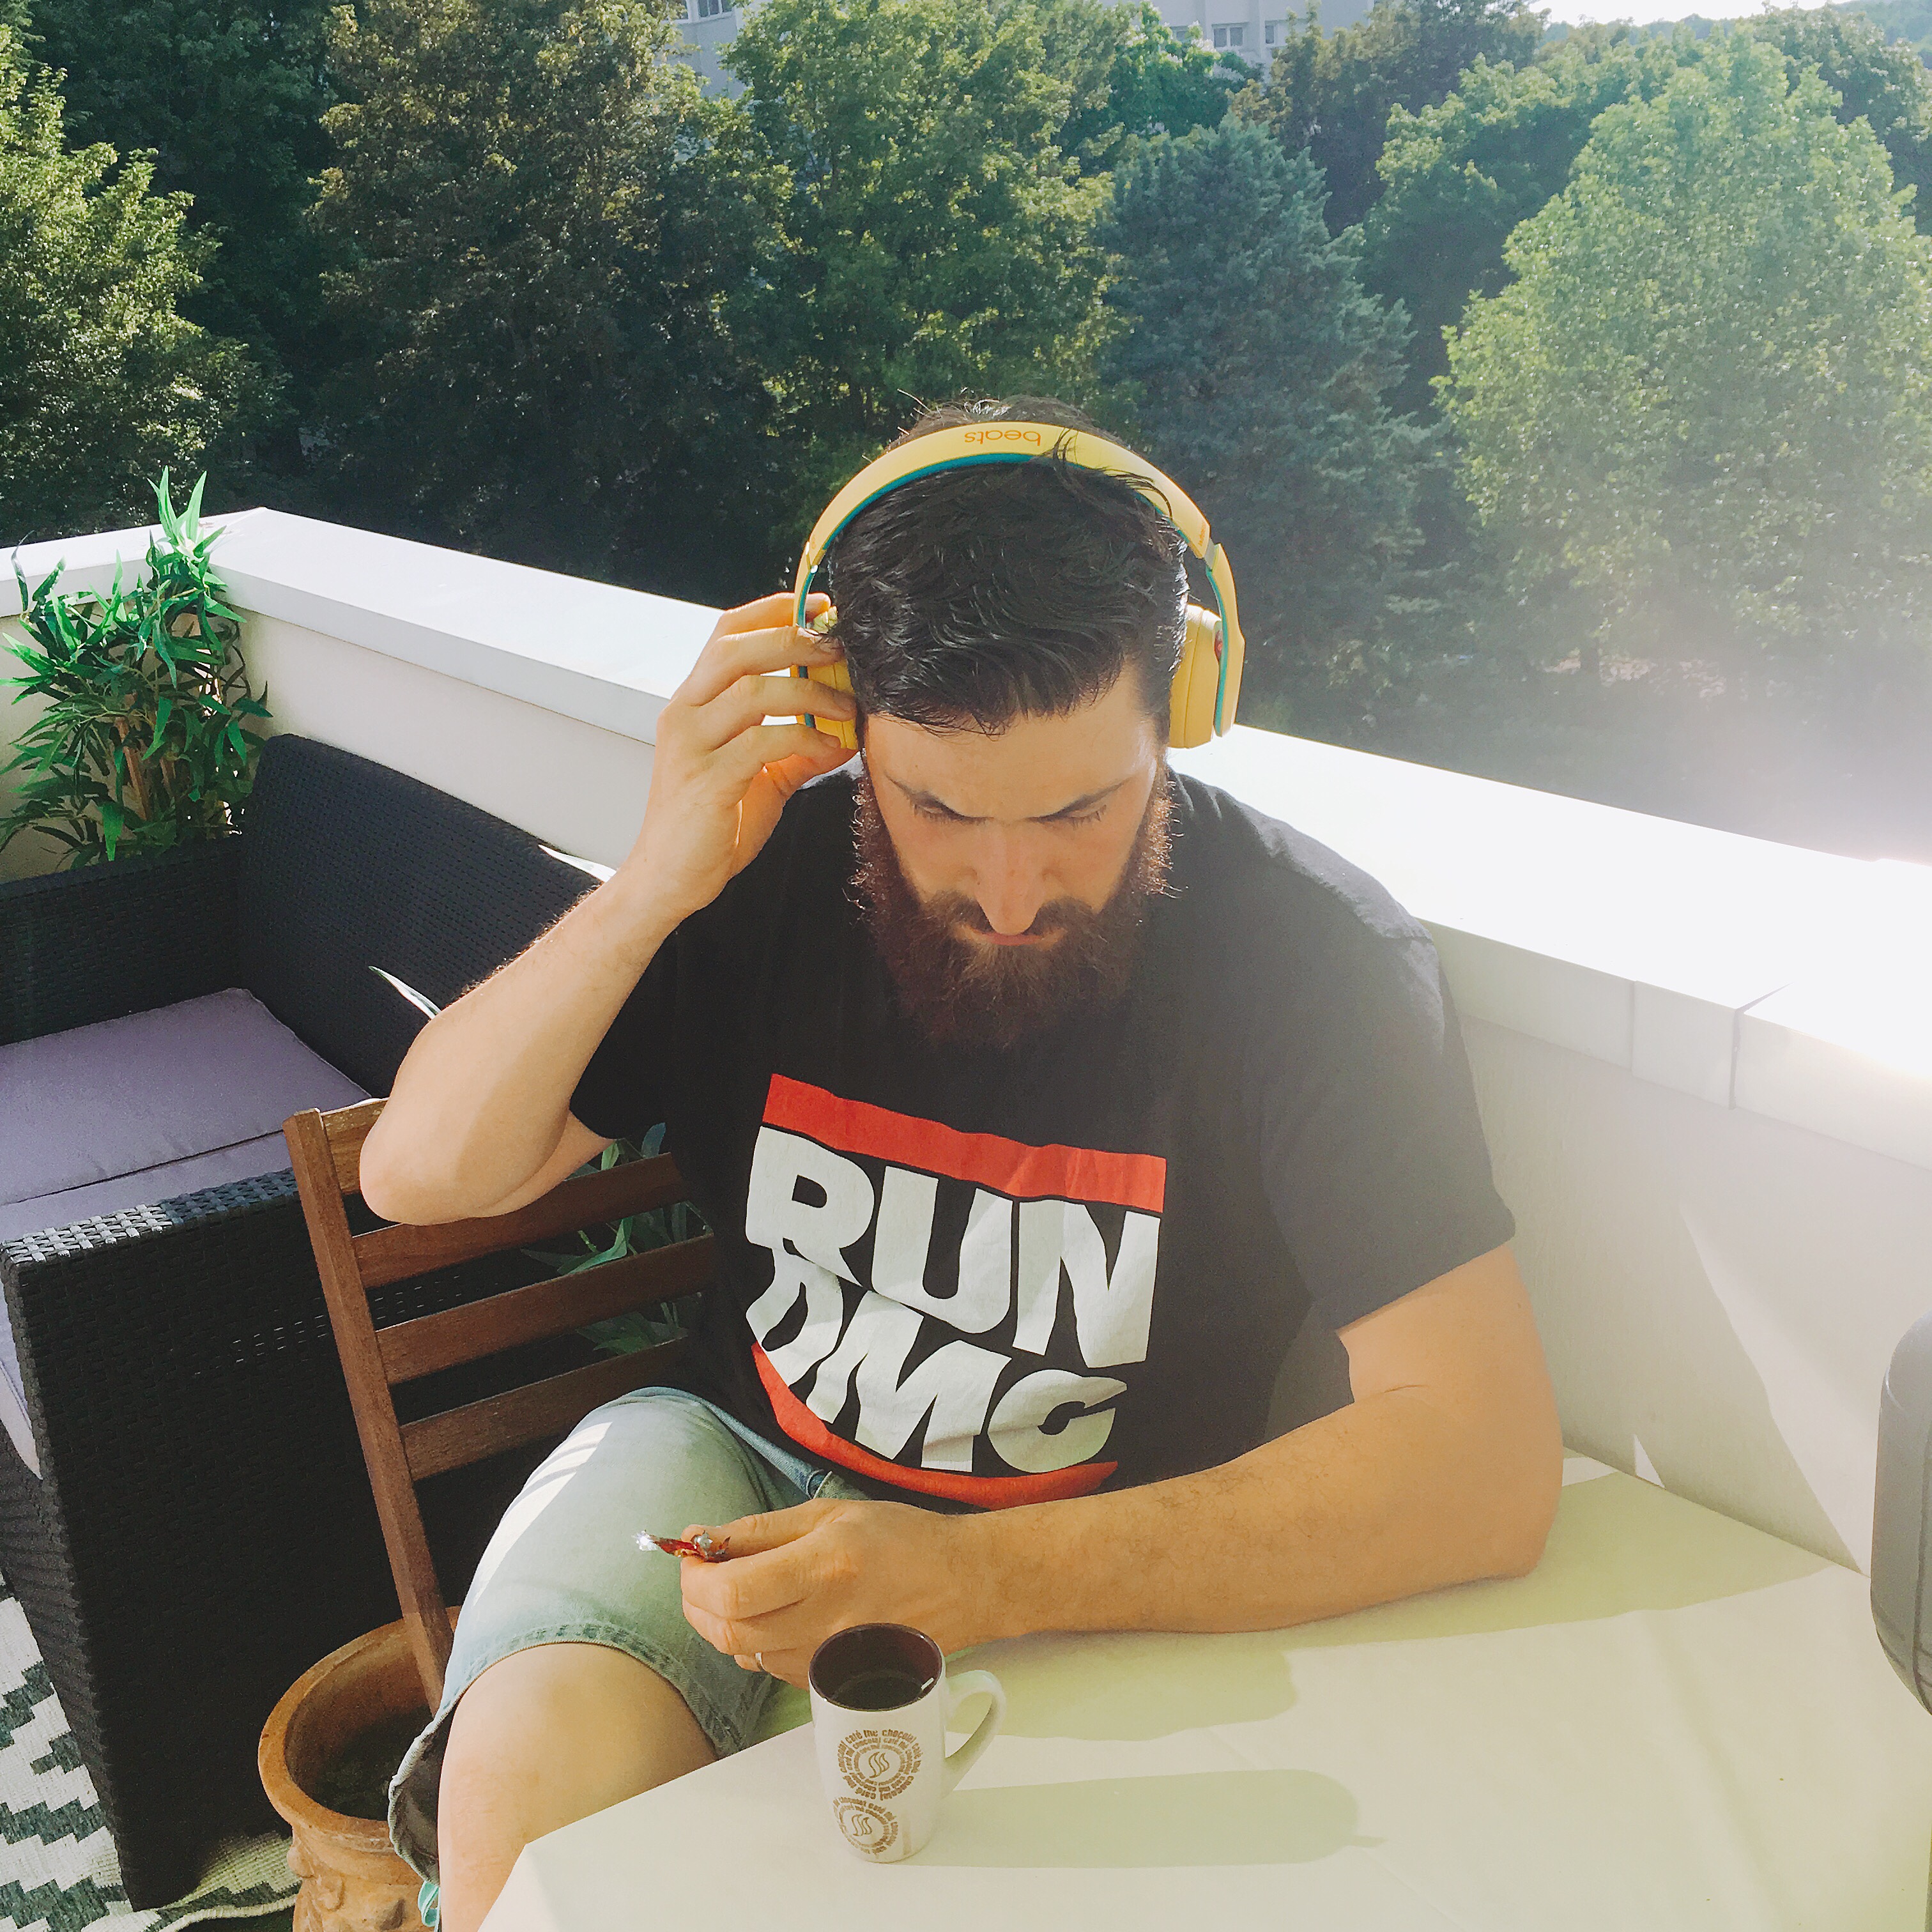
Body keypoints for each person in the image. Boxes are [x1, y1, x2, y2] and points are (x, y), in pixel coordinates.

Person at [360, 397, 1563, 1930]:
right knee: (525, 1859)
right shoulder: (758, 877)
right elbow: (420, 1175)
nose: (1007, 891)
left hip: (1093, 1554)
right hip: (730, 1468)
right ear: (840, 721)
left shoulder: (1311, 959)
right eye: (933, 807)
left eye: (1081, 810)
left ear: (1179, 715)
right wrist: (655, 878)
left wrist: (979, 1578)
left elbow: (1482, 1461)